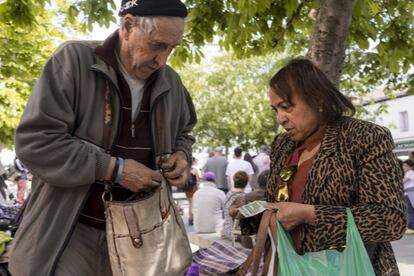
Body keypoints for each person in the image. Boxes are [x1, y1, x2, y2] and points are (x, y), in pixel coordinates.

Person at [9, 1, 197, 275]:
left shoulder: (172, 83)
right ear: (128, 25)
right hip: (70, 233)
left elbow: (184, 133)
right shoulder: (74, 60)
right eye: (157, 45)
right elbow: (37, 141)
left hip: (143, 240)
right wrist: (115, 169)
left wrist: (182, 156)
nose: (163, 60)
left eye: (171, 48)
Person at [263, 58, 405, 275]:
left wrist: (310, 214)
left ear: (317, 99)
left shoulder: (364, 138)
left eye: (286, 107)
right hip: (289, 267)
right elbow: (280, 201)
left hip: (351, 267)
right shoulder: (283, 145)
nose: (280, 118)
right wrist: (250, 208)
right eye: (275, 110)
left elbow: (390, 220)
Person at [221, 171, 248, 240]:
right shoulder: (242, 197)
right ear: (247, 182)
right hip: (234, 234)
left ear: (233, 180)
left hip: (225, 230)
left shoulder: (229, 194)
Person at [184, 157, 201, 226]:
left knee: (190, 204)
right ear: (193, 162)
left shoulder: (185, 169)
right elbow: (198, 179)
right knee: (194, 204)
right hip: (194, 188)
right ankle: (194, 219)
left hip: (187, 189)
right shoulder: (195, 169)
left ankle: (190, 219)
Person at [402, 159, 414, 233]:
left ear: (410, 167)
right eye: (403, 165)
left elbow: (403, 182)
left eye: (405, 166)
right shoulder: (409, 173)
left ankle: (411, 227)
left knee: (410, 210)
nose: (403, 167)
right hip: (408, 193)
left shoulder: (410, 172)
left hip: (410, 192)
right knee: (410, 210)